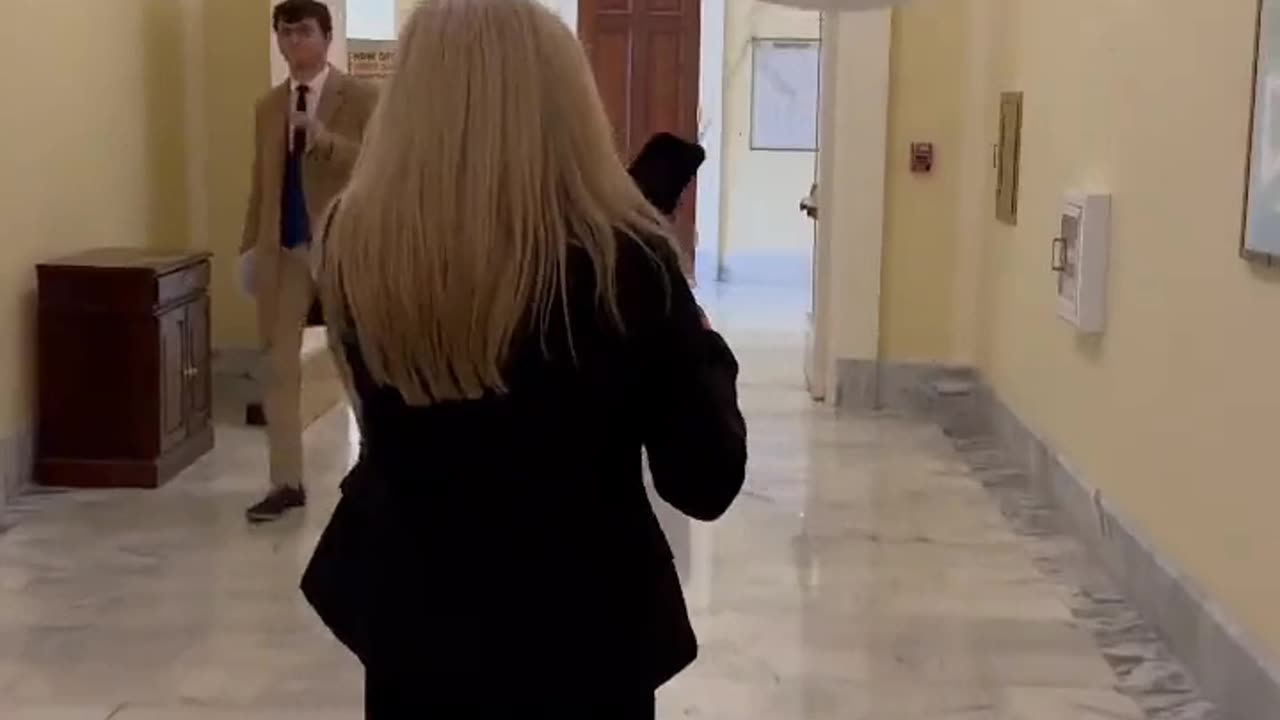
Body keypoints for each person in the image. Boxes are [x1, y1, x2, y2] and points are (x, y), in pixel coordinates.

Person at [305, 0, 747, 715]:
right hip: (584, 628)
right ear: (564, 102)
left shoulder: (355, 245)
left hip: (417, 622)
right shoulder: (624, 260)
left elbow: (380, 425)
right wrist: (696, 336)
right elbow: (705, 476)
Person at [239, 0, 378, 523]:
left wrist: (326, 142)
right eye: (284, 32)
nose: (293, 41)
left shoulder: (362, 97)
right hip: (286, 251)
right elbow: (262, 182)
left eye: (303, 32)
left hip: (345, 250)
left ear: (326, 36)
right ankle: (285, 482)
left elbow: (379, 165)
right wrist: (250, 247)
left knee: (355, 360)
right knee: (278, 366)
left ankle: (377, 463)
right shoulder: (268, 107)